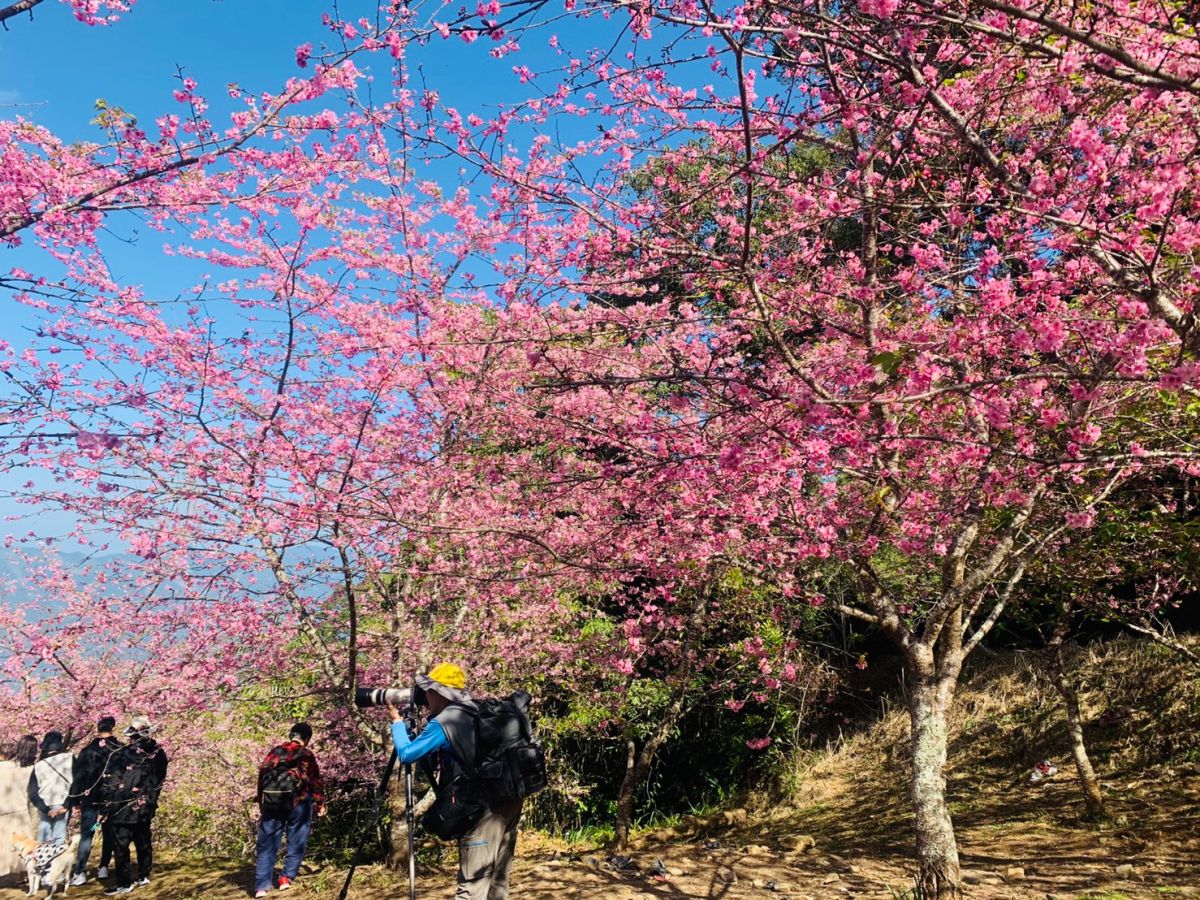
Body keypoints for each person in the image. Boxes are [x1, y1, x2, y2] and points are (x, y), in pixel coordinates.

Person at [387, 663, 522, 900]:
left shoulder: (447, 720)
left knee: (472, 888)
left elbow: (408, 755)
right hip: (508, 798)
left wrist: (397, 724)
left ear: (439, 692)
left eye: (428, 690)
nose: (425, 697)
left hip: (480, 809)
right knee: (497, 884)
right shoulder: (475, 710)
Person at [252, 722, 326, 898]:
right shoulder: (306, 755)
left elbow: (262, 777)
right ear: (307, 739)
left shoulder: (275, 753)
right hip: (299, 803)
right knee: (297, 840)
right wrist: (320, 804)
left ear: (290, 735)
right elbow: (316, 781)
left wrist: (261, 803)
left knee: (267, 843)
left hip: (272, 802)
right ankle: (285, 879)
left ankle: (261, 887)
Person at [102, 715, 168, 897]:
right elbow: (159, 781)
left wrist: (108, 805)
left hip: (123, 806)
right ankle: (143, 874)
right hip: (145, 805)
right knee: (143, 840)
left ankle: (124, 882)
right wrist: (151, 800)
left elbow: (114, 781)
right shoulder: (158, 753)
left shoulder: (125, 754)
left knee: (121, 844)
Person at [69, 716, 123, 885]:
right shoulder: (120, 749)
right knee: (108, 834)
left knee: (86, 835)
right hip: (111, 799)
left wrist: (75, 801)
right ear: (113, 728)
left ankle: (80, 872)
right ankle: (103, 867)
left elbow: (78, 777)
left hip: (90, 799)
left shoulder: (87, 751)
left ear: (97, 729)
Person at [0, 739, 38, 880]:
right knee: (24, 845)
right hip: (21, 811)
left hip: (2, 811)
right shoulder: (24, 768)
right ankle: (23, 875)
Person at [29, 732, 73, 843]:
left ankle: (43, 860)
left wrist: (46, 809)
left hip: (45, 803)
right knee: (59, 837)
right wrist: (67, 804)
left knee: (43, 839)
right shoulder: (69, 758)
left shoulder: (38, 765)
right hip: (63, 802)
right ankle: (56, 859)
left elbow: (32, 792)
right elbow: (78, 782)